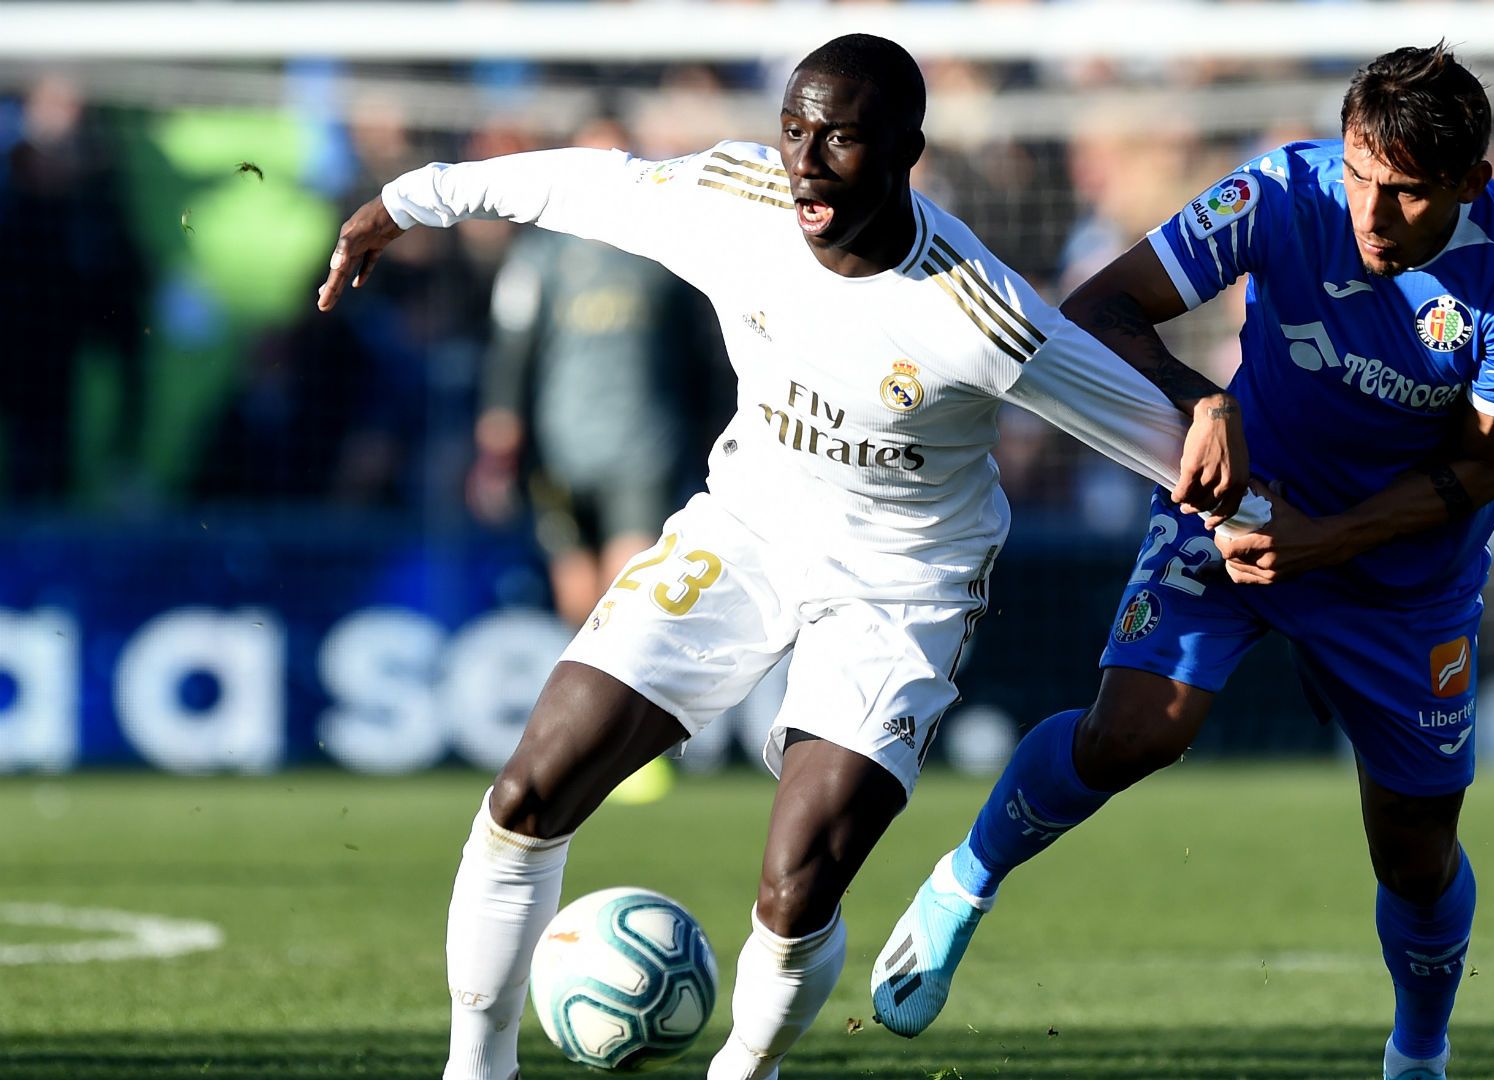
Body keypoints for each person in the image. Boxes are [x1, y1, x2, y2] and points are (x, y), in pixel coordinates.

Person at [316, 34, 1262, 1080]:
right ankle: (474, 1069)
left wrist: (1238, 467)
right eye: (795, 133)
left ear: (905, 148)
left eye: (842, 140)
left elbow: (1160, 437)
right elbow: (578, 185)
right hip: (748, 530)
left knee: (796, 881)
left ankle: (747, 1068)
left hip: (900, 587)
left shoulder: (978, 313)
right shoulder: (735, 199)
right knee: (527, 796)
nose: (806, 163)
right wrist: (412, 199)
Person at [869, 43, 1494, 1080]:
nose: (1371, 214)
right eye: (1361, 176)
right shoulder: (1282, 193)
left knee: (1415, 855)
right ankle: (960, 886)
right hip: (1239, 506)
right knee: (1131, 733)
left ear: (1471, 184)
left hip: (1403, 575)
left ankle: (1418, 1054)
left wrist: (1320, 543)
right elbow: (1101, 309)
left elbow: (1478, 470)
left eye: (1407, 195)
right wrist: (1204, 399)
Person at [470, 116, 725, 629]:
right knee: (577, 600)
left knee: (627, 594)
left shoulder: (667, 253)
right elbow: (512, 355)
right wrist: (498, 445)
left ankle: (622, 707)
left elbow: (704, 354)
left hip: (643, 450)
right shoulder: (539, 257)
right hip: (559, 454)